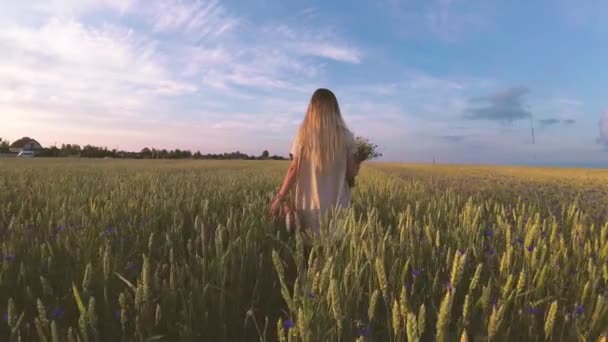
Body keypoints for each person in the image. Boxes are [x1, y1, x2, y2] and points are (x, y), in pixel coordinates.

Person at [269, 88, 360, 237]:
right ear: (335, 109)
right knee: (335, 254)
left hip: (308, 208)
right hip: (337, 209)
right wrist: (358, 162)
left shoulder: (303, 134)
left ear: (312, 109)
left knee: (308, 255)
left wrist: (280, 197)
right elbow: (351, 173)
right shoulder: (346, 136)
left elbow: (293, 169)